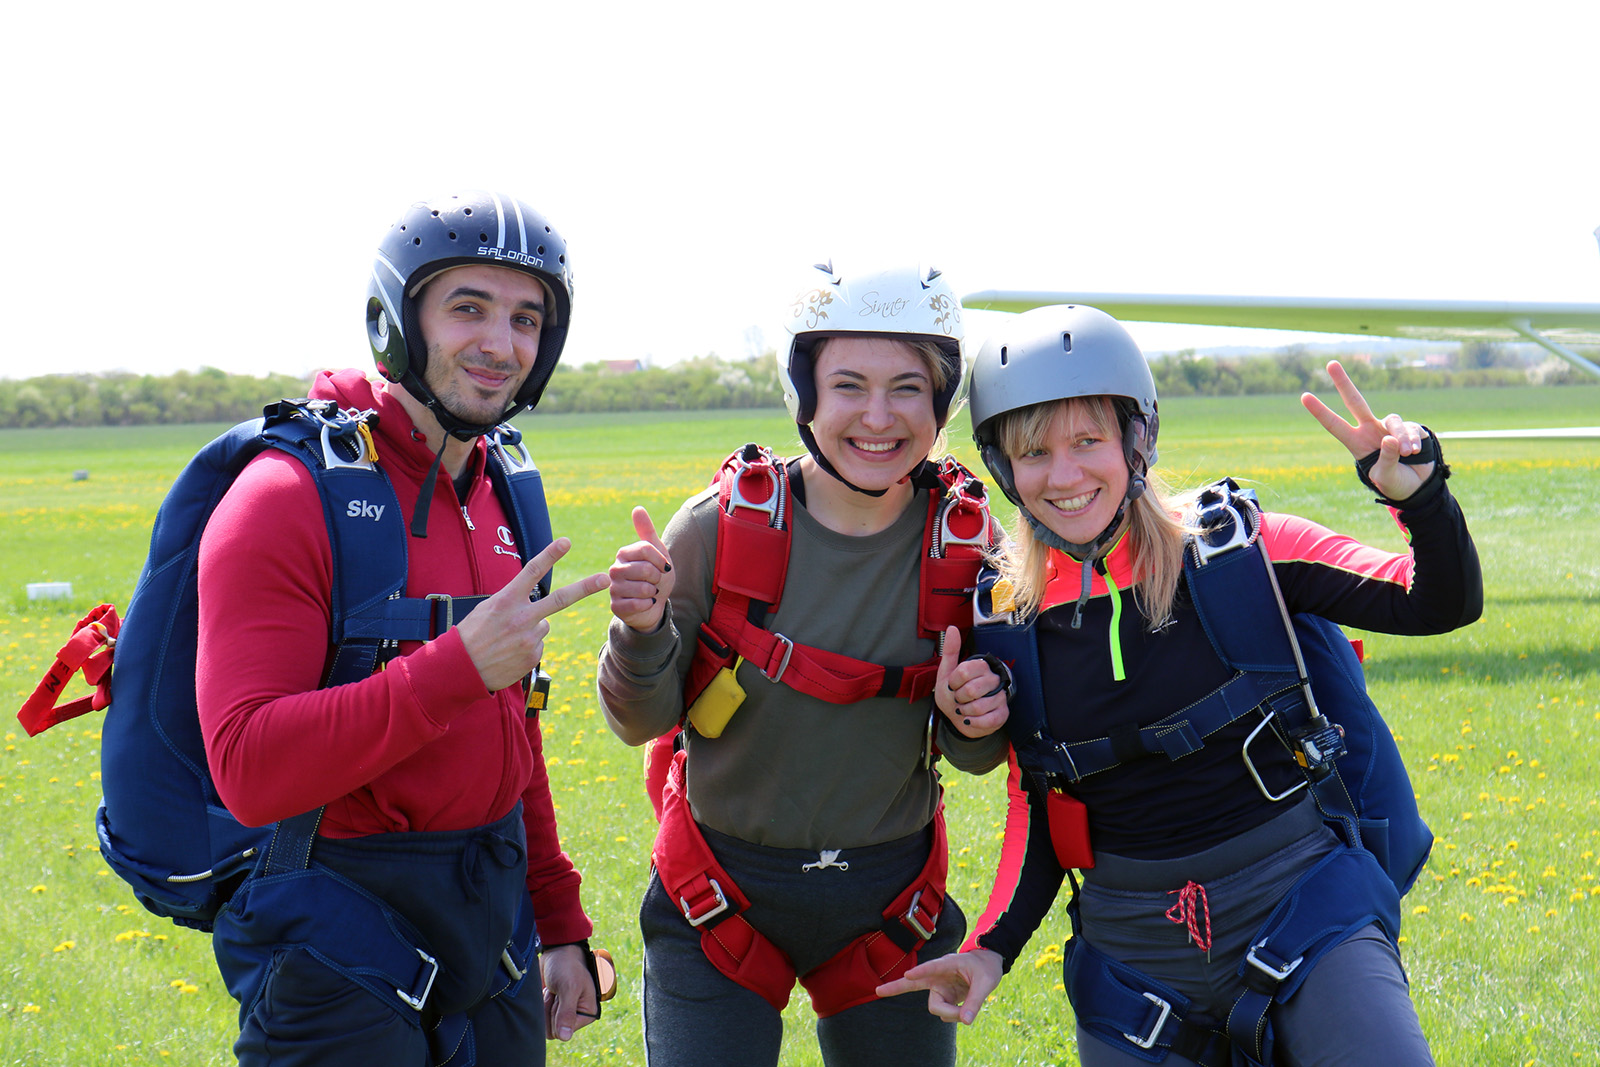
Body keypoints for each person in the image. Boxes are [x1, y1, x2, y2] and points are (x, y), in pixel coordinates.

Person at [878, 304, 1482, 1066]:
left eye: (1088, 440)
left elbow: (1438, 601)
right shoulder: (1004, 613)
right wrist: (989, 949)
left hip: (1304, 909)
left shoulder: (1241, 551)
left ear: (1138, 438)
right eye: (1033, 451)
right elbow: (1042, 808)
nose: (1064, 475)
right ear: (1003, 467)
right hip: (1134, 961)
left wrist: (1419, 497)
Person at [195, 190, 610, 1066]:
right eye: (468, 308)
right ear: (397, 320)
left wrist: (558, 919)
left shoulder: (503, 491)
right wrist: (452, 667)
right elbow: (247, 768)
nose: (500, 343)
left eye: (527, 317)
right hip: (336, 934)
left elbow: (514, 737)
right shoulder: (285, 499)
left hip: (490, 922)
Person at [596, 263, 1012, 1067]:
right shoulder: (720, 529)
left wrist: (979, 716)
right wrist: (642, 632)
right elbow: (638, 721)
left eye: (907, 388)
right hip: (719, 894)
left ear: (941, 401)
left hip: (892, 902)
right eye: (849, 385)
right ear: (805, 393)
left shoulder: (967, 548)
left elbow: (973, 755)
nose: (879, 416)